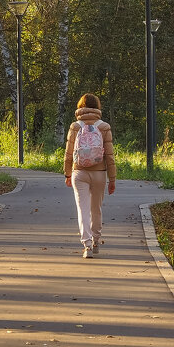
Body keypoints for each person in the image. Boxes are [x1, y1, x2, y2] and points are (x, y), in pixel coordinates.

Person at [63, 93, 116, 258]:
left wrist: (67, 174)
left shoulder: (75, 126)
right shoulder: (104, 126)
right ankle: (96, 240)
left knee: (82, 209)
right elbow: (110, 156)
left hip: (79, 173)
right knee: (96, 209)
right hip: (100, 174)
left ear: (80, 107)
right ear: (97, 107)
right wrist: (112, 179)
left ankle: (87, 246)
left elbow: (69, 153)